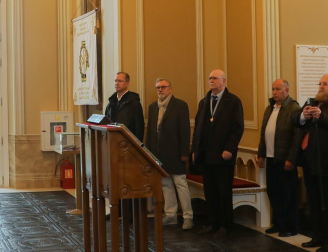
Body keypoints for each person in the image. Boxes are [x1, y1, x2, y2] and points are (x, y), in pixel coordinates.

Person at [289, 74, 328, 252]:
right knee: (313, 201)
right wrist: (303, 115)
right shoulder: (312, 102)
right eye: (320, 83)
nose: (321, 86)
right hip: (309, 159)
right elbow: (294, 119)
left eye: (326, 84)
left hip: (327, 161)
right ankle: (317, 236)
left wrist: (322, 116)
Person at [192, 70, 245, 237]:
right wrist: (195, 150)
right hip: (206, 155)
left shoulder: (233, 101)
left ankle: (225, 225)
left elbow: (237, 128)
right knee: (210, 192)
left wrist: (229, 148)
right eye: (210, 78)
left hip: (223, 155)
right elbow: (198, 128)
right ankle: (212, 223)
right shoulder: (204, 101)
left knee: (223, 192)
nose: (211, 80)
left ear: (223, 81)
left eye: (214, 78)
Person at [146, 78, 194, 230]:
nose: (160, 90)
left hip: (176, 153)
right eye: (158, 87)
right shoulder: (153, 107)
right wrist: (149, 153)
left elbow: (185, 130)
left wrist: (184, 152)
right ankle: (171, 215)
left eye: (163, 87)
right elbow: (151, 132)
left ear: (170, 89)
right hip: (159, 154)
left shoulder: (180, 105)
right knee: (166, 185)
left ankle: (188, 217)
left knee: (181, 184)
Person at [257, 79, 302, 236]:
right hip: (270, 158)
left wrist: (291, 158)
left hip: (284, 159)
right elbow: (263, 133)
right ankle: (278, 223)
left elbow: (297, 137)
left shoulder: (293, 108)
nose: (274, 92)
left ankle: (290, 227)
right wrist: (261, 154)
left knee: (287, 194)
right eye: (273, 89)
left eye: (278, 89)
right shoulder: (270, 108)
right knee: (273, 192)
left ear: (286, 91)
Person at [105, 72, 145, 142]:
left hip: (127, 141)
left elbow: (139, 126)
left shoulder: (134, 102)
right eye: (115, 81)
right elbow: (106, 121)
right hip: (112, 139)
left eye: (120, 81)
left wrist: (137, 143)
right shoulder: (111, 102)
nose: (117, 83)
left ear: (127, 84)